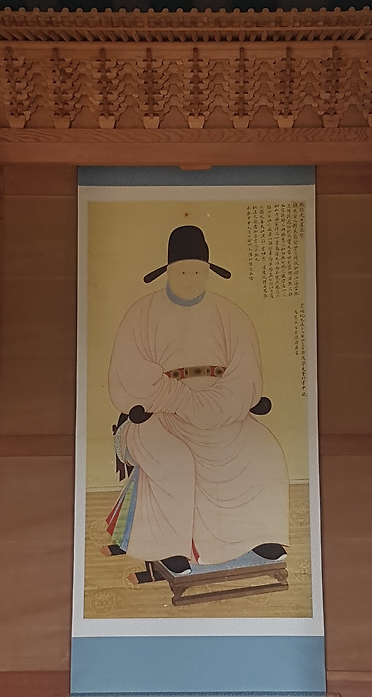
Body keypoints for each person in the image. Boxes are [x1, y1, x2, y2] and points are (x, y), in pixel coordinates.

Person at [104, 224, 288, 572]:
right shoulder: (141, 314)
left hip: (222, 411)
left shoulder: (231, 314)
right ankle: (169, 547)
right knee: (174, 460)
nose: (190, 279)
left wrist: (217, 404)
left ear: (207, 272)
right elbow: (130, 374)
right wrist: (181, 399)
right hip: (159, 412)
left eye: (197, 272)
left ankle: (258, 534)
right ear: (168, 272)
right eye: (183, 272)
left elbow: (246, 372)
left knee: (264, 449)